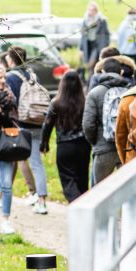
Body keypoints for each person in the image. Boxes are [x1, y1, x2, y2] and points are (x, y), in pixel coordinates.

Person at [3, 47, 49, 215]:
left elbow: (10, 102)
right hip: (36, 121)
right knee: (37, 164)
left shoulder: (10, 77)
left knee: (11, 159)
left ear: (11, 60)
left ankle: (3, 193)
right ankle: (42, 201)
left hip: (21, 123)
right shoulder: (32, 75)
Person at [41, 70, 90, 202]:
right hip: (83, 145)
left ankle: (78, 207)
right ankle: (85, 207)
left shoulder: (56, 103)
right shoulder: (85, 102)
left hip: (65, 146)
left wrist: (44, 144)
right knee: (82, 179)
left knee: (68, 180)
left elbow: (47, 125)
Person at [83, 57, 132, 185]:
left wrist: (96, 142)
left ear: (103, 72)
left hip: (103, 148)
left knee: (99, 192)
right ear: (121, 72)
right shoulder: (129, 93)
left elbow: (88, 124)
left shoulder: (94, 93)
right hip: (124, 148)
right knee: (126, 190)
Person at [0, 65, 21, 236]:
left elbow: (11, 119)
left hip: (5, 139)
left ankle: (5, 219)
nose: (3, 81)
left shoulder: (9, 96)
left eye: (4, 77)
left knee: (6, 182)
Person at [79, 2, 111, 75]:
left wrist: (105, 45)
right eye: (89, 10)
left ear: (96, 11)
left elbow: (107, 34)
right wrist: (80, 49)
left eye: (93, 10)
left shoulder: (102, 20)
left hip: (97, 45)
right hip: (88, 45)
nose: (91, 12)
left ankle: (91, 81)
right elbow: (83, 35)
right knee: (91, 66)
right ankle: (93, 79)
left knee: (91, 64)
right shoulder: (85, 20)